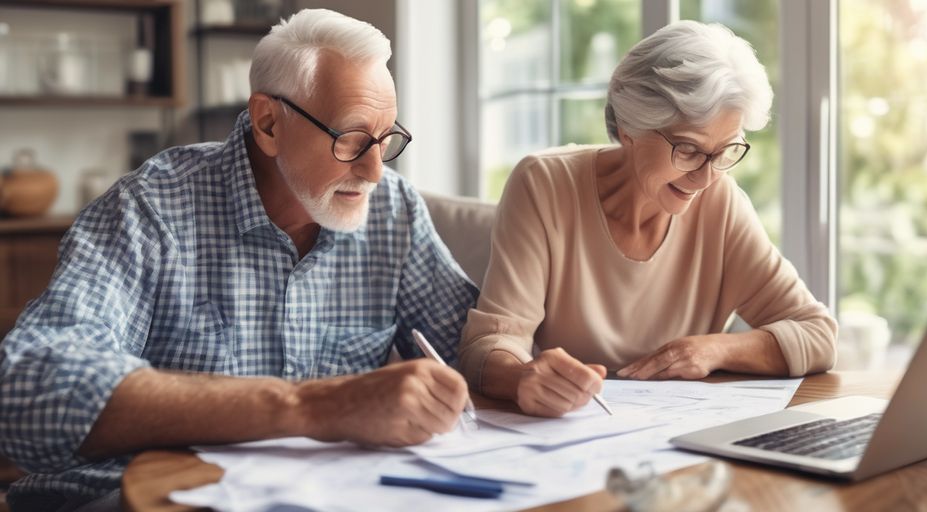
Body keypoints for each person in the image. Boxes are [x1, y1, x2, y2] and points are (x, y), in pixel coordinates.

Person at [0, 9, 477, 511]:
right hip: (137, 498)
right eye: (352, 139)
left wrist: (512, 366)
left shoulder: (392, 211)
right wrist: (312, 406)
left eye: (385, 140)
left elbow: (465, 344)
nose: (375, 170)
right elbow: (30, 388)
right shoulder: (150, 210)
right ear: (269, 123)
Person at [459, 21, 837, 418]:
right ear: (629, 128)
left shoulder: (720, 202)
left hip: (679, 440)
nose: (706, 177)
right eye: (688, 149)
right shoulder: (545, 184)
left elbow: (817, 334)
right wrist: (523, 378)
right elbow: (487, 346)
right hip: (571, 432)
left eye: (725, 151)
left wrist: (712, 349)